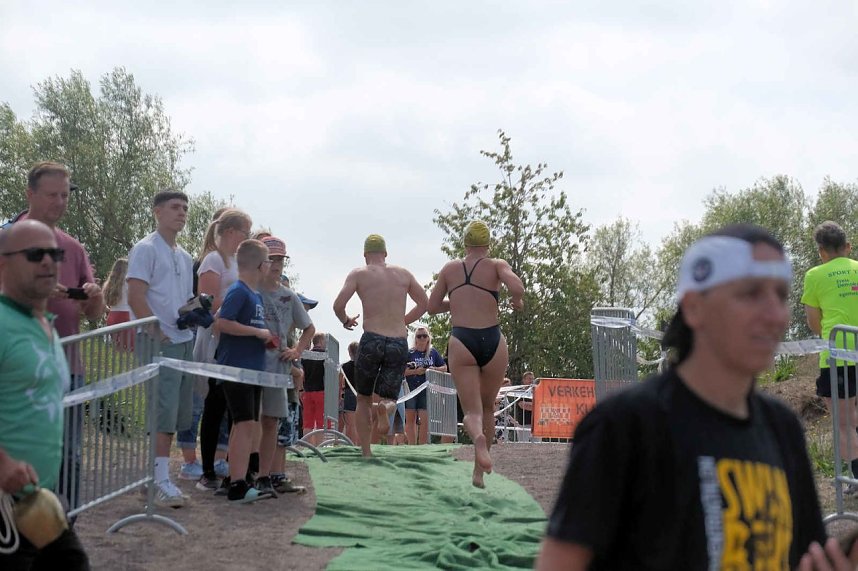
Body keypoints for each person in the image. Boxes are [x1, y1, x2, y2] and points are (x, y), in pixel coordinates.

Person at [536, 224, 858, 570]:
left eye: (780, 296)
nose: (775, 314)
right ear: (693, 306)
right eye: (750, 294)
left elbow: (803, 558)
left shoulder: (782, 428)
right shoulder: (627, 423)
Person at [2, 161, 105, 512]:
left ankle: (64, 521)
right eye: (52, 195)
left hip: (66, 366)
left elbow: (94, 315)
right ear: (30, 194)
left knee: (69, 453)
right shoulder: (6, 239)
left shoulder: (73, 248)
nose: (60, 202)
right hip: (13, 366)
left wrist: (95, 296)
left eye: (65, 195)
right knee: (17, 450)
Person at [0, 220, 90, 569]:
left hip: (39, 504)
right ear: (3, 263)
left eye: (54, 254)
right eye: (35, 254)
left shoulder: (44, 325)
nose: (49, 263)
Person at [428, 220, 524, 488]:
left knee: (471, 411)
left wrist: (459, 300)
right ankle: (479, 471)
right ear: (488, 244)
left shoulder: (450, 269)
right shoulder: (496, 265)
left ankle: (477, 441)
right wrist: (516, 300)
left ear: (465, 243)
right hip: (493, 340)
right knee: (488, 407)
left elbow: (432, 306)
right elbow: (517, 287)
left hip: (462, 340)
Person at [126, 190, 195, 508]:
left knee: (178, 413)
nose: (181, 213)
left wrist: (196, 311)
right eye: (174, 207)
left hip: (182, 341)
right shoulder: (145, 248)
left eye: (184, 208)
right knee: (162, 410)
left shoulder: (185, 256)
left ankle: (161, 476)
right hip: (158, 342)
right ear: (157, 212)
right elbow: (135, 294)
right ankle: (156, 480)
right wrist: (155, 330)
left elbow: (181, 303)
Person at [332, 234, 429, 457]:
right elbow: (424, 303)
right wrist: (401, 321)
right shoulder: (403, 274)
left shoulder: (359, 274)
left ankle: (366, 451)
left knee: (364, 399)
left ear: (366, 255)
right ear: (385, 254)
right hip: (397, 341)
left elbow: (338, 305)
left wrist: (346, 320)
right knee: (389, 397)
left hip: (371, 339)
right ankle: (387, 407)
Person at [194, 209, 255, 490]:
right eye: (246, 232)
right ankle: (207, 471)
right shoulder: (213, 259)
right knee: (216, 404)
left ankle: (236, 469)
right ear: (232, 232)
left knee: (236, 408)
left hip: (238, 343)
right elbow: (207, 302)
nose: (248, 238)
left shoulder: (236, 263)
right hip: (216, 340)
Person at [214, 239, 275, 503]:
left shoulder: (255, 294)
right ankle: (237, 484)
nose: (271, 266)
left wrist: (264, 338)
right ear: (261, 265)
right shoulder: (238, 291)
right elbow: (222, 323)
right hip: (237, 368)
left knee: (247, 425)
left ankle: (237, 477)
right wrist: (257, 332)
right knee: (243, 424)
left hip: (253, 368)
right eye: (269, 261)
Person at [801, 221, 858, 492]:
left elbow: (814, 323)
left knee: (844, 422)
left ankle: (855, 477)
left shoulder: (815, 275)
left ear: (821, 251)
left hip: (837, 357)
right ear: (848, 246)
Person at [256, 235, 315, 497]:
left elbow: (309, 328)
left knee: (274, 423)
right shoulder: (250, 290)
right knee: (249, 423)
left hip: (279, 372)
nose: (277, 265)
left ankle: (268, 477)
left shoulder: (288, 296)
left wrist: (296, 351)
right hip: (251, 368)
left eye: (281, 259)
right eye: (272, 259)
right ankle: (245, 475)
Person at [404, 327, 446, 445]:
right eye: (419, 336)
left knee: (425, 420)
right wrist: (415, 371)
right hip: (411, 389)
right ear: (415, 339)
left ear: (428, 338)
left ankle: (422, 446)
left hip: (427, 390)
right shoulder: (409, 353)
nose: (422, 338)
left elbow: (445, 367)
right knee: (410, 419)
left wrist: (434, 369)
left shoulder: (433, 352)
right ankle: (412, 446)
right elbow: (402, 371)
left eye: (424, 336)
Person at [300, 333, 329, 447]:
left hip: (307, 392)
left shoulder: (306, 355)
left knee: (308, 423)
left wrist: (301, 389)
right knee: (321, 423)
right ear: (321, 341)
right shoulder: (326, 355)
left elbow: (302, 374)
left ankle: (306, 447)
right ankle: (319, 447)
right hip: (321, 391)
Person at [102, 257, 134, 350]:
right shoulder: (129, 282)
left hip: (112, 317)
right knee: (129, 349)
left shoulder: (109, 283)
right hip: (126, 317)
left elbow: (103, 303)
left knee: (118, 350)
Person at [339, 341, 360, 445]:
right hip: (361, 395)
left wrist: (339, 396)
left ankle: (350, 444)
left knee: (350, 424)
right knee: (359, 423)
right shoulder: (364, 366)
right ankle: (358, 444)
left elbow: (339, 382)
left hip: (349, 394)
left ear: (350, 352)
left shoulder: (345, 366)